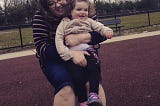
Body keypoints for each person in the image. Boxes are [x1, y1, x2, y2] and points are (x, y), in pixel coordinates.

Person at [32, 0, 107, 106]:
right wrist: (70, 54)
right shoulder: (41, 16)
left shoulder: (82, 7)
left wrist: (81, 38)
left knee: (92, 84)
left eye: (59, 0)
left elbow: (102, 34)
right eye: (51, 3)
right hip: (55, 58)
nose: (57, 5)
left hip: (84, 51)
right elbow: (41, 47)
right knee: (66, 88)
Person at [55, 0, 113, 105]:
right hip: (73, 55)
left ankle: (93, 95)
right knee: (77, 77)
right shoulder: (64, 23)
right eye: (79, 9)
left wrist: (107, 31)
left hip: (88, 52)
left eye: (85, 10)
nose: (83, 12)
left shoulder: (89, 21)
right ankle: (83, 101)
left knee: (94, 71)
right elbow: (58, 40)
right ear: (70, 11)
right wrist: (68, 54)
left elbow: (99, 27)